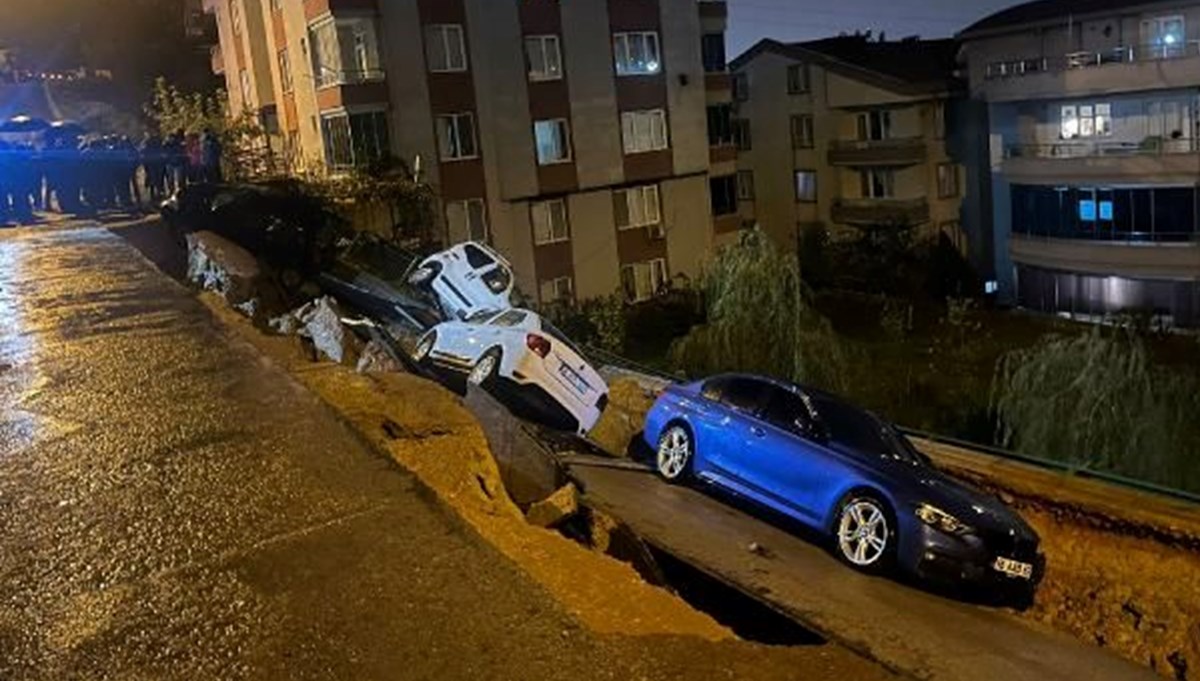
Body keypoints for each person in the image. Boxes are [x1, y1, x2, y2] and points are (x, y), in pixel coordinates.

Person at [139, 132, 166, 201]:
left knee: (155, 179)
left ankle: (156, 194)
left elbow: (142, 152)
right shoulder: (149, 143)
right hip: (153, 163)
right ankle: (155, 194)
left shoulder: (147, 143)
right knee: (155, 179)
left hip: (155, 163)